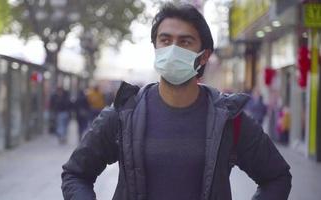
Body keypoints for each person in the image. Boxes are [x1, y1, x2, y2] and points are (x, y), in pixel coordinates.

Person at [61, 3, 291, 200]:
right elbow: (75, 174)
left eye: (185, 42)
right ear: (155, 47)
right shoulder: (123, 114)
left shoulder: (229, 119)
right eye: (165, 40)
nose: (172, 50)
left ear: (204, 55)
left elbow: (277, 177)